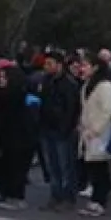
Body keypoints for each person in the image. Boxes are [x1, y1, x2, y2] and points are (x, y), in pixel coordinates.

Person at [38, 52, 81, 211]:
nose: (46, 67)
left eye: (50, 63)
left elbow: (71, 109)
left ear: (59, 64)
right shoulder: (46, 81)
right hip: (47, 128)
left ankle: (68, 197)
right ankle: (55, 195)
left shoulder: (68, 83)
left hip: (62, 130)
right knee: (52, 165)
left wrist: (65, 128)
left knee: (65, 165)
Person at [77, 56, 111, 218]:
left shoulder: (105, 86)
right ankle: (95, 199)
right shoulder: (88, 85)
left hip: (99, 133)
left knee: (99, 167)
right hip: (87, 132)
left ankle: (100, 201)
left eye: (85, 65)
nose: (82, 68)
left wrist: (96, 129)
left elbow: (108, 111)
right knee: (92, 167)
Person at [0, 65, 39, 210]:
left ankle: (17, 197)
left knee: (17, 168)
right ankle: (7, 194)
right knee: (4, 167)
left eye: (4, 77)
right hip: (5, 136)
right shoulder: (2, 95)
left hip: (20, 137)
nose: (1, 80)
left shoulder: (18, 95)